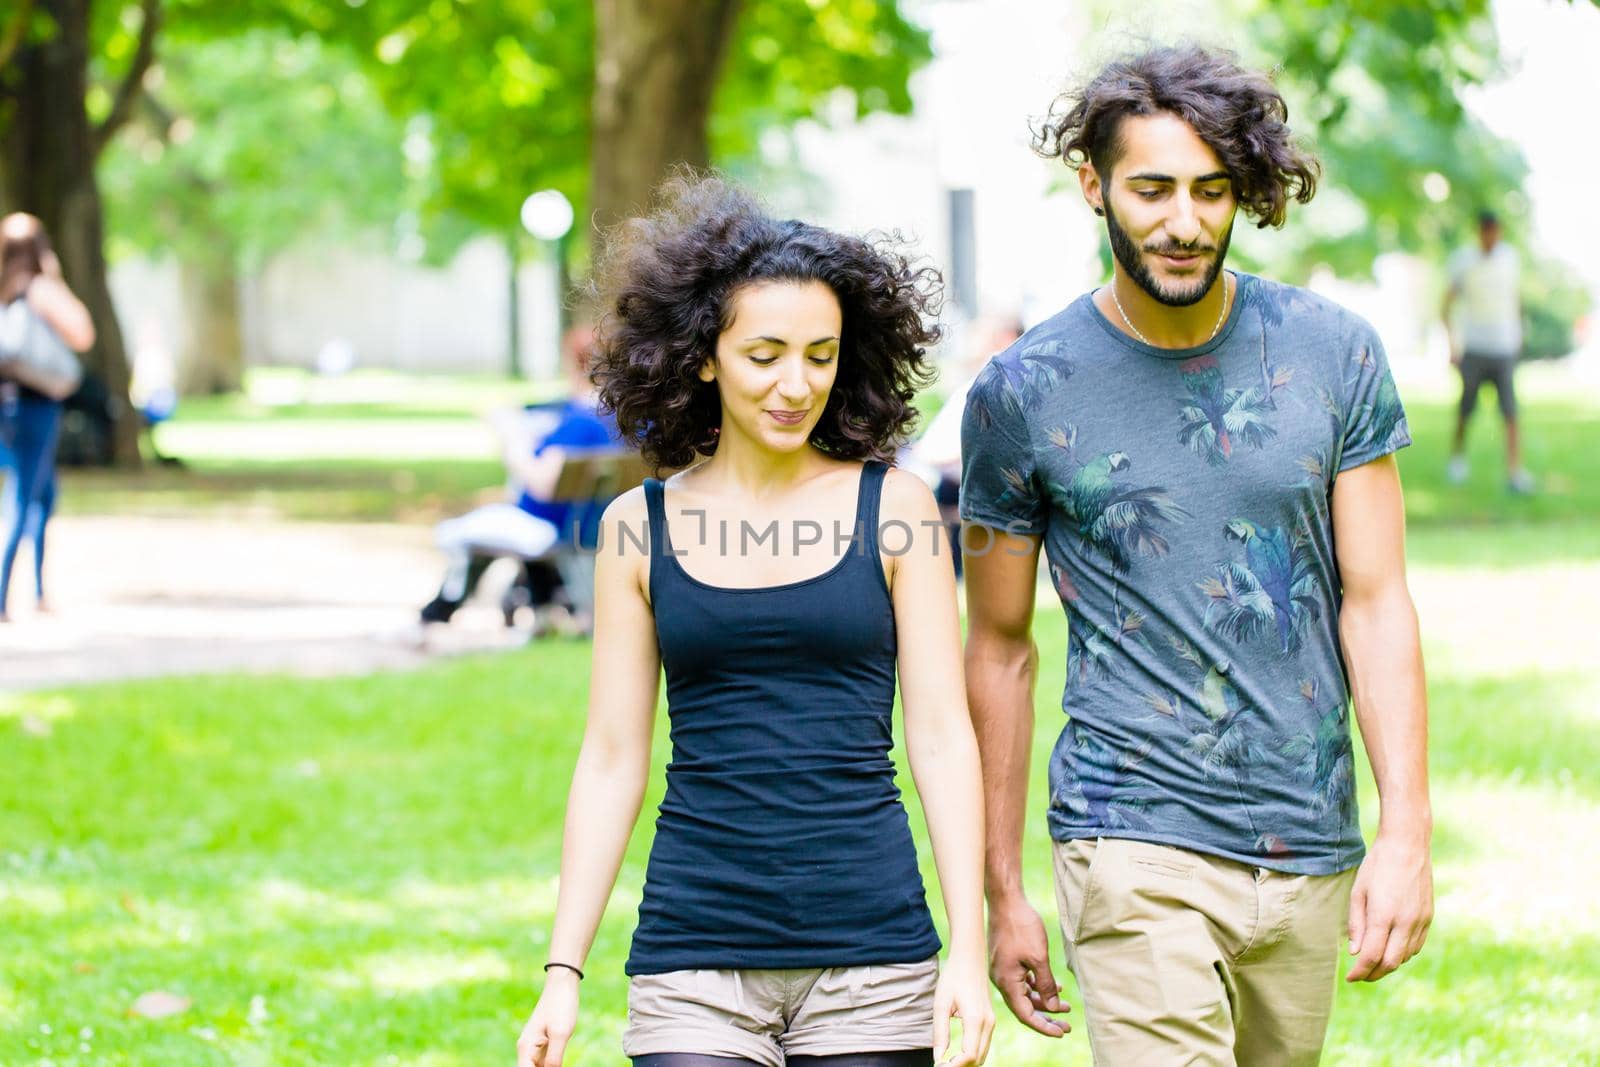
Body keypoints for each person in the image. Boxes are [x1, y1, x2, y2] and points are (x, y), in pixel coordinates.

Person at [960, 46, 1432, 1065]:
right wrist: (1003, 887)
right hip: (1127, 830)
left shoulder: (1332, 351)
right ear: (1093, 186)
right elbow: (997, 644)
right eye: (1152, 188)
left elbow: (1378, 600)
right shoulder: (1019, 393)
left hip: (1306, 838)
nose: (1184, 221)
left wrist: (1406, 832)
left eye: (1211, 190)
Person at [515, 175, 994, 1067]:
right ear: (706, 356)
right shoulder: (638, 528)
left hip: (874, 957)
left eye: (820, 354)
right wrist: (562, 968)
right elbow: (614, 756)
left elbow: (940, 734)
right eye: (765, 353)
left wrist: (967, 949)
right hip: (695, 955)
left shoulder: (898, 508)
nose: (795, 383)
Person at [418, 324, 618, 632]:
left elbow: (543, 485)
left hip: (553, 528)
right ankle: (537, 605)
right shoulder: (623, 418)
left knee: (459, 533)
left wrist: (513, 443)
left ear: (573, 363)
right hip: (594, 525)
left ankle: (441, 609)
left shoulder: (579, 420)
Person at [0, 213, 95, 622]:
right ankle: (3, 593)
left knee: (41, 494)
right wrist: (54, 278)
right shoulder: (40, 289)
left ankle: (38, 590)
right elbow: (82, 332)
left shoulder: (5, 289)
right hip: (36, 405)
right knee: (22, 499)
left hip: (7, 402)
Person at [1443, 209, 1533, 493]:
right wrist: (1452, 344)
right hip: (1475, 347)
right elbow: (1446, 304)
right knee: (1466, 409)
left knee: (1510, 412)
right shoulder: (1464, 261)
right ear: (1480, 231)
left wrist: (1520, 334)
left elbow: (1516, 299)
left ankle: (1514, 472)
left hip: (1503, 348)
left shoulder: (1510, 260)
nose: (1491, 237)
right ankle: (1457, 461)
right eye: (1487, 231)